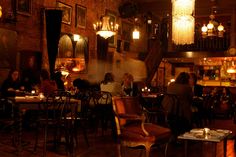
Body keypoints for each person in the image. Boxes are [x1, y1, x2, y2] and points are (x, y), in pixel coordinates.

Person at [162, 72, 193, 137]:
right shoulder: (187, 87)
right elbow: (190, 99)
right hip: (182, 113)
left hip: (169, 110)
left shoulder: (170, 85)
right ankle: (189, 133)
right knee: (194, 111)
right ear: (187, 79)